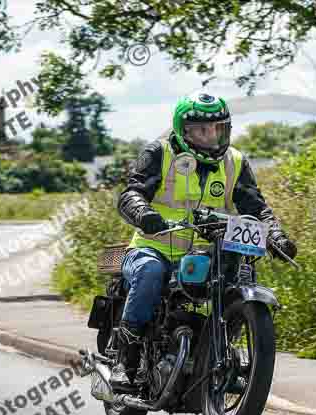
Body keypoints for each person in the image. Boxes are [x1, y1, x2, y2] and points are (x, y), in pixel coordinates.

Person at [112, 92, 297, 391]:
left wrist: (275, 234)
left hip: (210, 251)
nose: (211, 135)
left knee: (240, 277)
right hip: (154, 247)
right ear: (183, 130)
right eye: (201, 129)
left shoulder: (234, 161)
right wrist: (143, 213)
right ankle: (126, 359)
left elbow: (256, 207)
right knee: (150, 273)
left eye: (217, 128)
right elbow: (130, 194)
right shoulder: (159, 152)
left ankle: (223, 354)